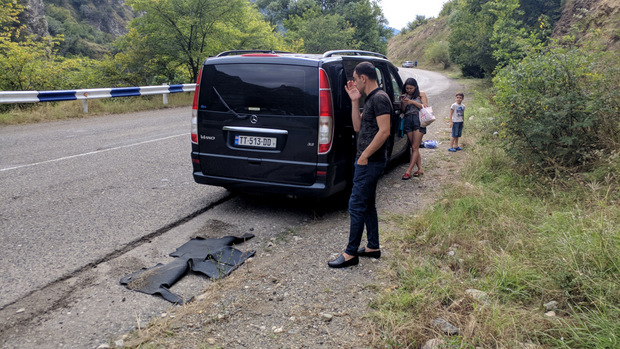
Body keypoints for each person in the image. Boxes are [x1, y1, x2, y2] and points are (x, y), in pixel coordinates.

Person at [328, 62, 392, 268]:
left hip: (370, 162)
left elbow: (385, 131)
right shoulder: (371, 99)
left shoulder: (380, 98)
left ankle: (350, 254)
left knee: (355, 205)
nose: (354, 82)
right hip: (367, 160)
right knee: (368, 205)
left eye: (355, 79)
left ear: (363, 78)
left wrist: (364, 156)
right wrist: (355, 101)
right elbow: (357, 126)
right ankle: (373, 246)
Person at [400, 78, 428, 179]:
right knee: (413, 146)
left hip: (418, 119)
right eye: (407, 88)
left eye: (411, 88)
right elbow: (403, 110)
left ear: (415, 87)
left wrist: (412, 102)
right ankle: (420, 169)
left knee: (415, 147)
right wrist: (403, 103)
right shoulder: (405, 95)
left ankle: (408, 171)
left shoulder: (421, 94)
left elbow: (424, 106)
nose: (409, 90)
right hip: (408, 119)